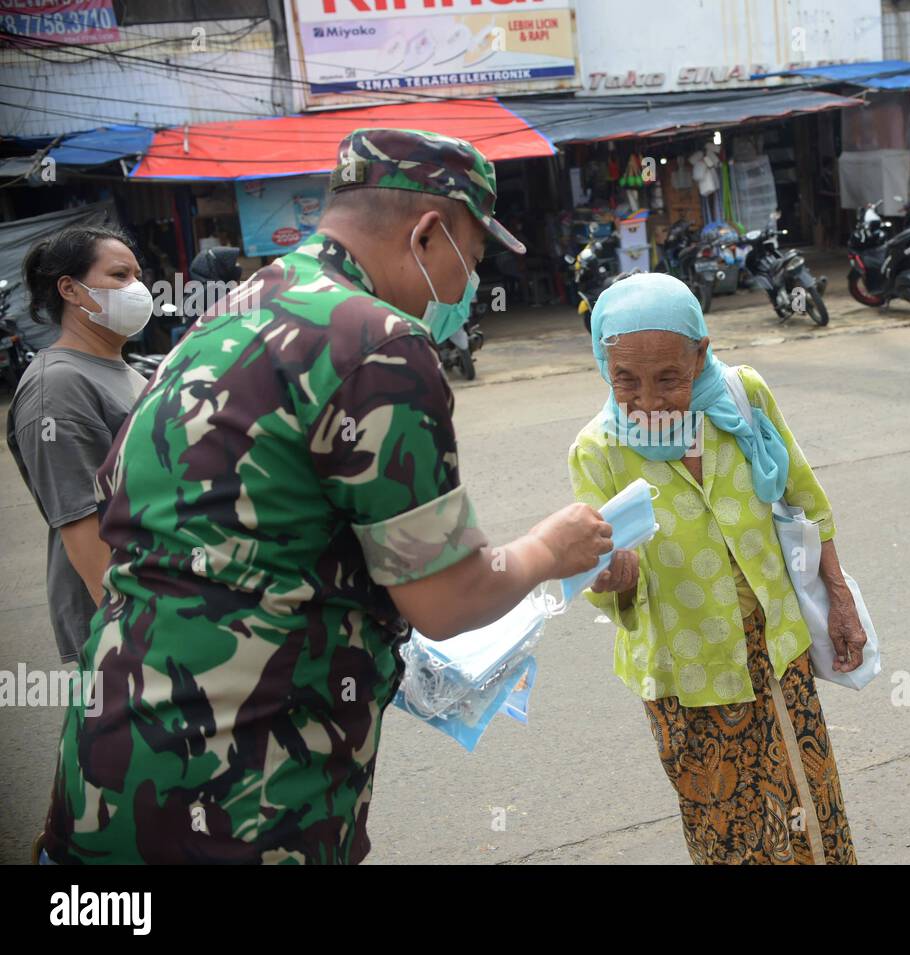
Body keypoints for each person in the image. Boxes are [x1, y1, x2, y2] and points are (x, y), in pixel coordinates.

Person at [39, 129, 612, 864]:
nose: (471, 284)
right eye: (471, 258)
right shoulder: (378, 342)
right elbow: (446, 597)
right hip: (242, 810)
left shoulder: (219, 320)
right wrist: (548, 550)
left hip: (99, 785)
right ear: (429, 234)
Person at [567, 272, 864, 865]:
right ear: (603, 363)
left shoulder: (743, 396)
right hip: (688, 678)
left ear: (700, 353)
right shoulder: (598, 450)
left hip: (777, 650)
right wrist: (613, 578)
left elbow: (805, 499)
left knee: (812, 809)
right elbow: (598, 578)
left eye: (668, 378)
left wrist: (840, 596)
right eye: (625, 379)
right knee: (728, 837)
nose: (647, 401)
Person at [6, 225, 149, 665]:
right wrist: (137, 638)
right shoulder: (59, 385)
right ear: (70, 288)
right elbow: (83, 524)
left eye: (138, 276)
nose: (138, 289)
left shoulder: (123, 369)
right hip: (128, 628)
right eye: (120, 276)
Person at [174, 245, 241, 346]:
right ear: (219, 267)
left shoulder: (203, 290)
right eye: (232, 264)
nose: (237, 266)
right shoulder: (213, 291)